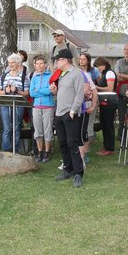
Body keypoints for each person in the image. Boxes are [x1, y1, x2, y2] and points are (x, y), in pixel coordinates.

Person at [50, 48, 85, 187]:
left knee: (72, 143)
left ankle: (78, 173)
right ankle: (68, 169)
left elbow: (79, 93)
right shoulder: (61, 74)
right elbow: (63, 93)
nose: (56, 63)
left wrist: (73, 110)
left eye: (58, 60)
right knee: (63, 143)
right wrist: (55, 92)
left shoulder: (76, 73)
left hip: (70, 114)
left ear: (65, 60)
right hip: (59, 113)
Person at [0, 53, 29, 153]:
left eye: (13, 62)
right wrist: (6, 91)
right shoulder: (4, 76)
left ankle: (15, 150)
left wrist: (17, 91)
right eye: (9, 62)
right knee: (6, 128)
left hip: (18, 105)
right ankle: (6, 150)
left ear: (18, 63)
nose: (10, 64)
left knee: (16, 127)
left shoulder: (24, 77)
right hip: (5, 105)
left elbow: (26, 94)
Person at [29, 55, 55, 163]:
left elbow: (50, 91)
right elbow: (31, 93)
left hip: (48, 106)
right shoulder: (33, 77)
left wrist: (39, 90)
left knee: (47, 130)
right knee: (38, 130)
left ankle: (47, 151)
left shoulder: (50, 76)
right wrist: (43, 90)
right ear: (34, 66)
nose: (39, 66)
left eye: (41, 63)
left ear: (45, 65)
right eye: (37, 64)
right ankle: (39, 151)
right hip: (36, 107)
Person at [93, 57, 117, 156]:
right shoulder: (103, 74)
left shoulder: (110, 73)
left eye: (99, 66)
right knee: (104, 125)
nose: (98, 68)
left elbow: (110, 88)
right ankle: (106, 146)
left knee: (108, 125)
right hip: (104, 102)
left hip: (109, 102)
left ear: (104, 64)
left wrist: (96, 87)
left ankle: (109, 148)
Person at [78, 53, 98, 164]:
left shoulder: (91, 72)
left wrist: (93, 105)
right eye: (80, 59)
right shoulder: (76, 72)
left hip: (89, 102)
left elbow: (94, 89)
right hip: (79, 105)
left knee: (87, 129)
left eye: (83, 59)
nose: (81, 61)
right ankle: (80, 152)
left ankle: (86, 152)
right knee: (81, 129)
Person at [114, 44, 128, 139]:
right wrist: (127, 76)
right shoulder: (119, 62)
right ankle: (120, 135)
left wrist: (122, 76)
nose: (126, 51)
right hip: (121, 94)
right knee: (121, 116)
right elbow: (116, 76)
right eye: (125, 49)